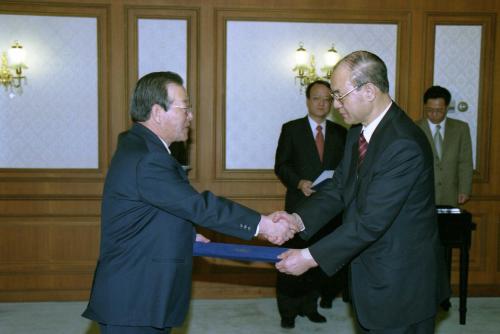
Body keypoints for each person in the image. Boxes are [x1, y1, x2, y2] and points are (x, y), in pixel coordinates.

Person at [82, 71, 296, 334]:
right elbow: (198, 206)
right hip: (135, 296)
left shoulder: (138, 146)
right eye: (185, 108)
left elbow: (157, 208)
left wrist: (186, 232)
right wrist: (262, 224)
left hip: (135, 291)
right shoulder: (149, 158)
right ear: (158, 112)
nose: (190, 116)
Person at [275, 51, 449, 333]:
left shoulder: (403, 143)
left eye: (339, 95)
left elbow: (371, 221)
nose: (335, 105)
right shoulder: (358, 134)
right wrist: (297, 220)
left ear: (368, 91)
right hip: (371, 274)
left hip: (401, 283)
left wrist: (309, 257)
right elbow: (339, 188)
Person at [274, 80, 347, 329]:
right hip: (298, 207)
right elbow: (281, 165)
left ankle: (310, 306)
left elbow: (346, 172)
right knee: (290, 260)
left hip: (329, 211)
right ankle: (288, 311)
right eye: (317, 98)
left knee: (317, 261)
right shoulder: (291, 129)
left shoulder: (341, 132)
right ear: (308, 101)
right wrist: (299, 183)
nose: (322, 103)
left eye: (327, 99)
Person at [416, 85, 473, 207]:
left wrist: (464, 189)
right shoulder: (415, 129)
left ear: (447, 108)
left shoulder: (461, 129)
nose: (434, 114)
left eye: (439, 110)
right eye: (430, 110)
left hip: (451, 194)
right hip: (422, 195)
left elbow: (465, 162)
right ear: (425, 107)